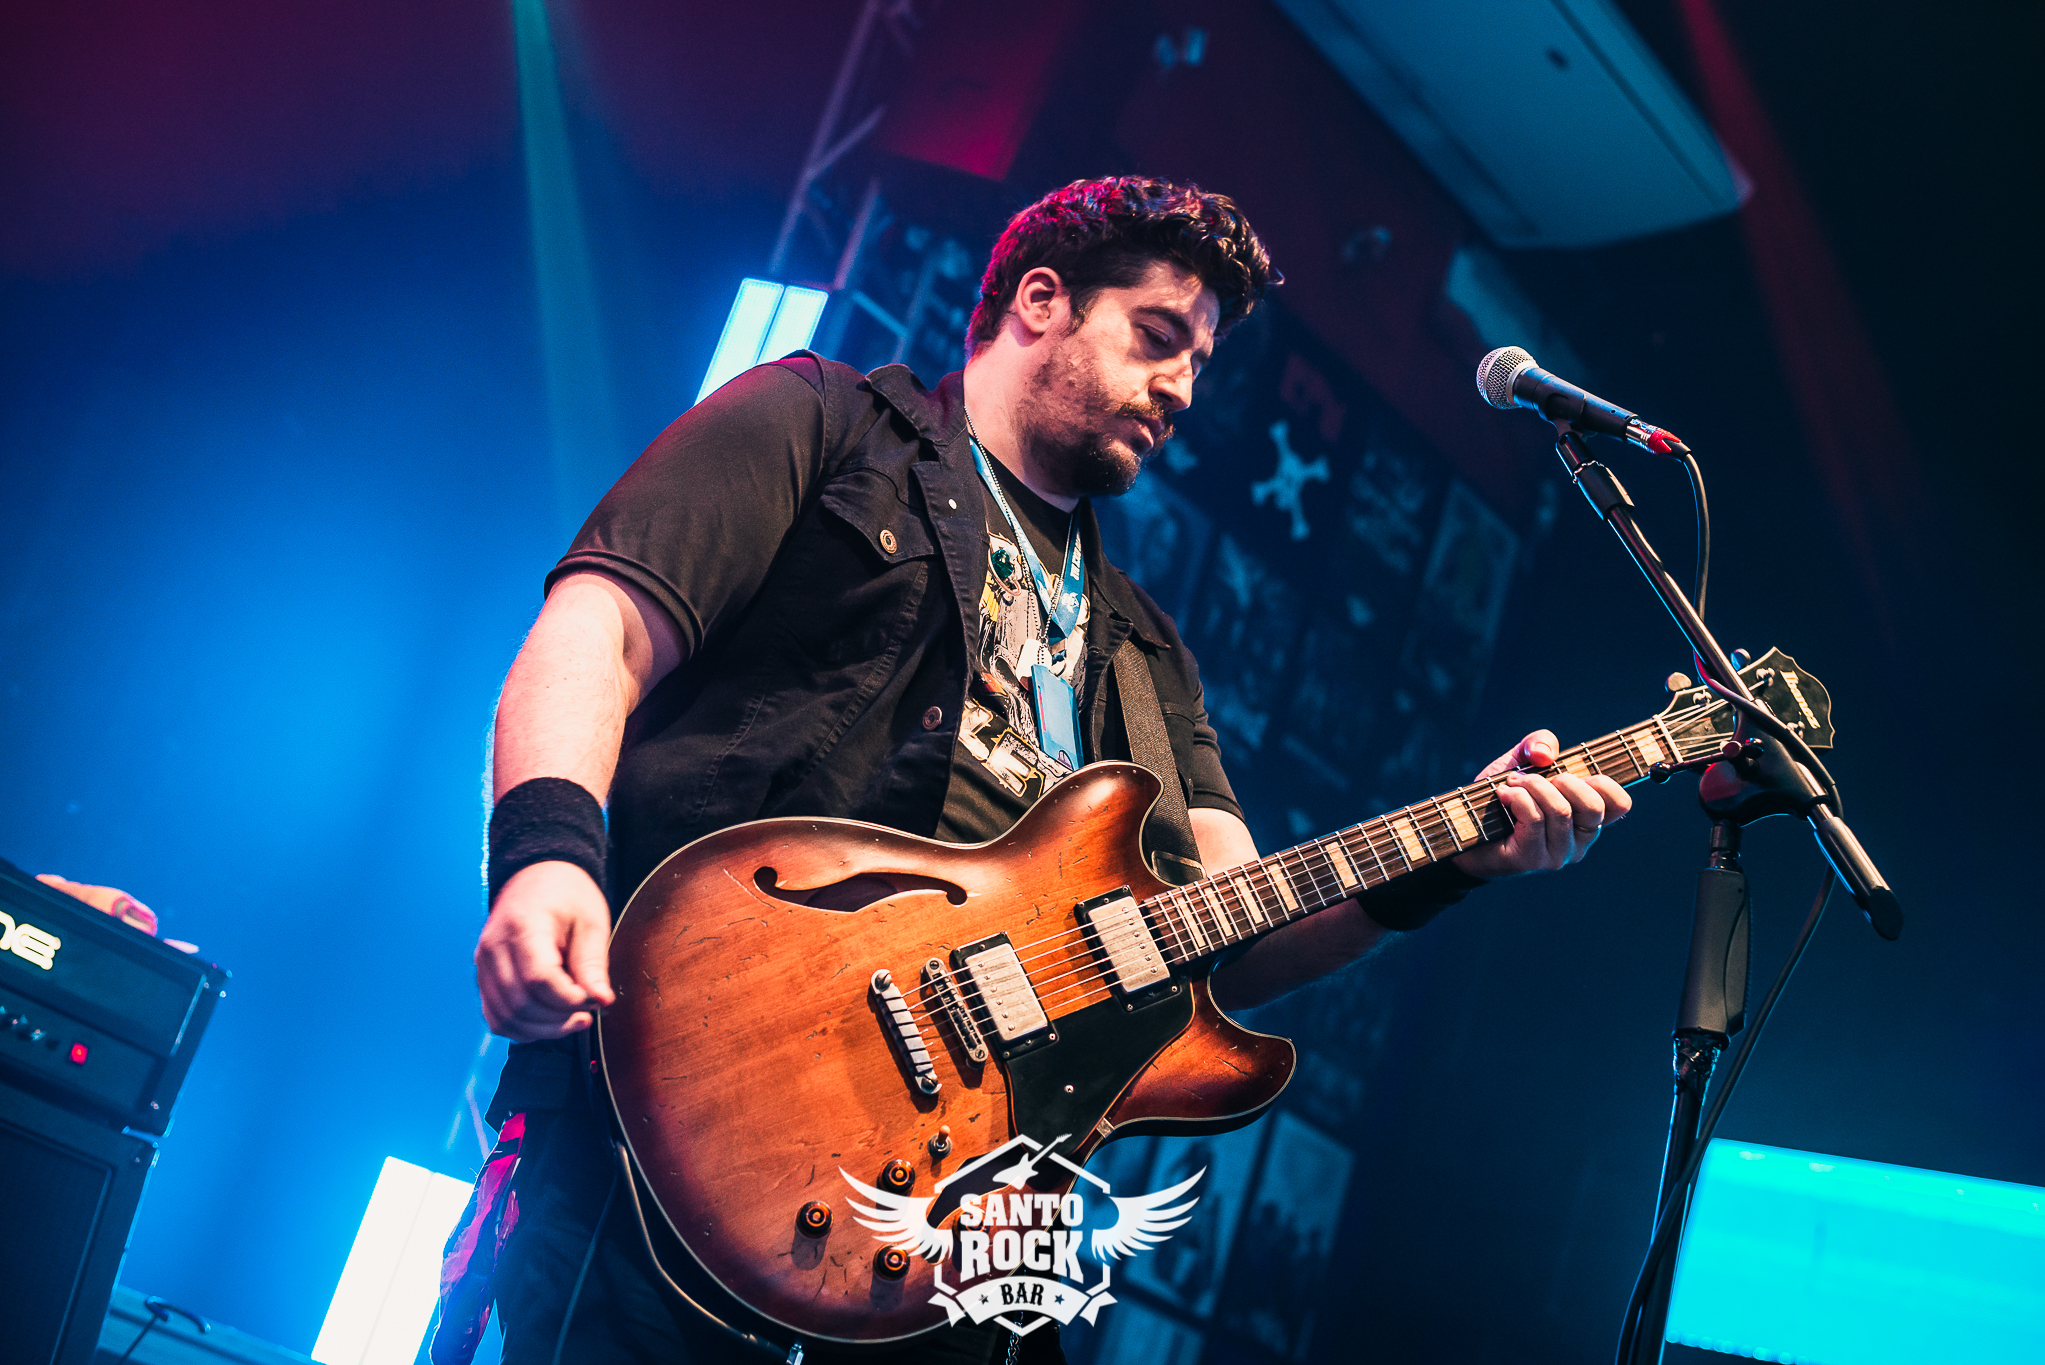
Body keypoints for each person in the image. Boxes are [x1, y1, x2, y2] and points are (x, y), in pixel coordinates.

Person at [456, 177, 1631, 1365]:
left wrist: (1455, 855)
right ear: (1038, 301)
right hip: (697, 1093)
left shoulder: (1144, 651)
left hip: (965, 1232)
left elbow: (1230, 925)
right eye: (1156, 337)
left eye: (1199, 363)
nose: (1181, 389)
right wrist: (548, 857)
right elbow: (599, 628)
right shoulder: (824, 423)